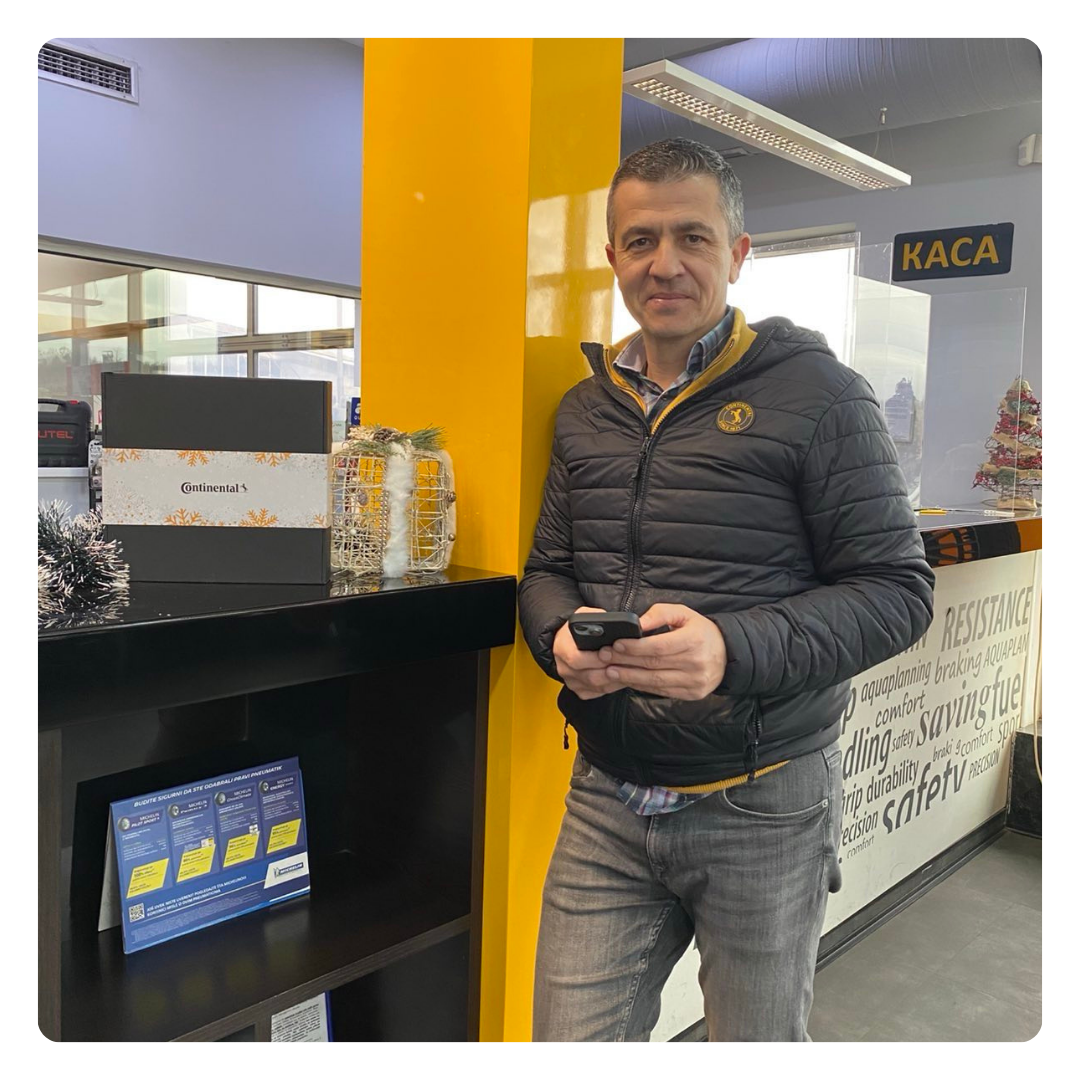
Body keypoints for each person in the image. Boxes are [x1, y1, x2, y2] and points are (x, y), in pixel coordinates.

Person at [518, 137, 935, 1042]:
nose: (664, 263)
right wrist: (555, 637)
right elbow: (547, 570)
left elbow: (898, 592)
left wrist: (729, 650)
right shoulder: (585, 410)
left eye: (693, 237)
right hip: (606, 796)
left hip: (764, 801)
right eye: (640, 241)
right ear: (613, 257)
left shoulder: (822, 396)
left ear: (738, 253)